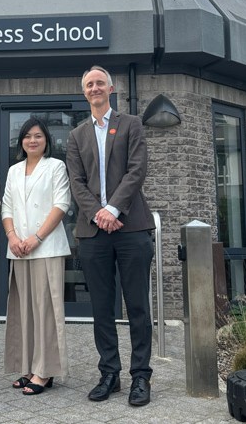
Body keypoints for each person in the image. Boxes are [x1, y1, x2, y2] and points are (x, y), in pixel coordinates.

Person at [65, 65, 156, 407]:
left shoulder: (131, 123)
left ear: (111, 87)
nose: (95, 88)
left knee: (137, 306)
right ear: (84, 92)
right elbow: (77, 183)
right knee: (101, 308)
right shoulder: (76, 135)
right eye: (89, 84)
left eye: (100, 82)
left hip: (130, 228)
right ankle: (110, 374)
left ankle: (141, 376)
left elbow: (137, 170)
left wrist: (113, 209)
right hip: (93, 233)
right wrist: (98, 214)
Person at [2, 117, 71, 395]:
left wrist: (36, 238)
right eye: (28, 136)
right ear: (21, 141)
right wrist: (13, 237)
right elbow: (6, 207)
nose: (33, 140)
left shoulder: (56, 167)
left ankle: (45, 370)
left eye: (38, 136)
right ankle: (29, 367)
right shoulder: (14, 171)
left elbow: (61, 204)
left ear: (46, 141)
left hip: (47, 248)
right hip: (18, 250)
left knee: (46, 309)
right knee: (24, 311)